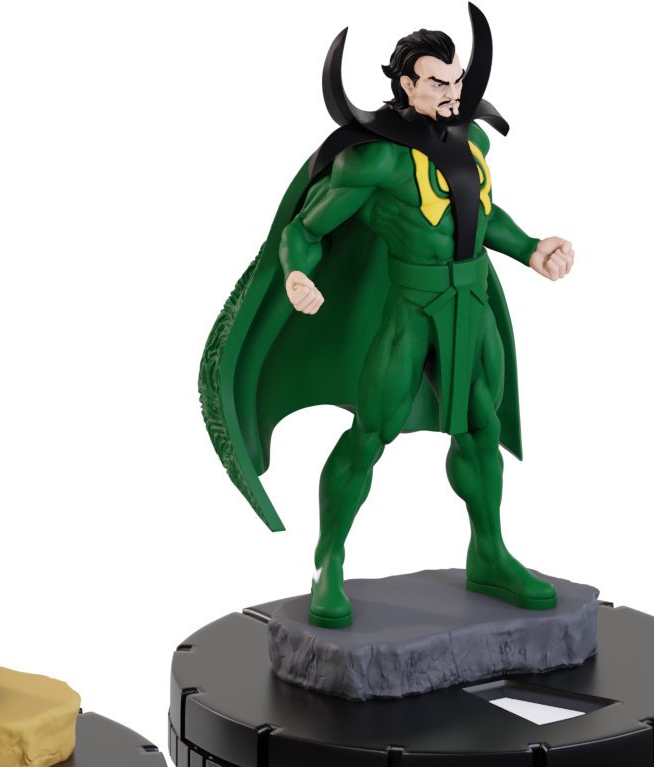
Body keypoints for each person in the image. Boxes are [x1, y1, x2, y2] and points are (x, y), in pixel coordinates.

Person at [199, 5, 573, 628]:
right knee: (371, 431)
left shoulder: (473, 142)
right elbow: (306, 230)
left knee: (480, 428)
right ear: (406, 85)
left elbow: (479, 216)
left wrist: (532, 248)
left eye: (457, 80)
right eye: (437, 82)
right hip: (412, 310)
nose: (451, 93)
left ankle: (489, 554)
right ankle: (328, 562)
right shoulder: (376, 160)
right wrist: (297, 274)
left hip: (471, 305)